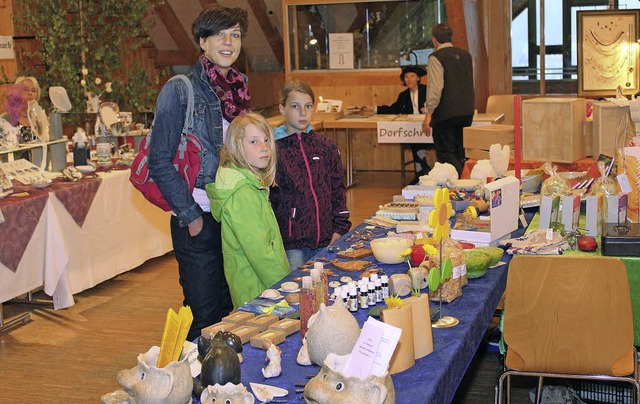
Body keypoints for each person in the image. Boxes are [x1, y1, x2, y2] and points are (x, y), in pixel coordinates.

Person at [147, 6, 250, 340]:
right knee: (203, 313)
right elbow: (159, 160)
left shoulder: (240, 89)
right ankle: (190, 385)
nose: (228, 41)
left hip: (233, 213)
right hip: (198, 216)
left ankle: (224, 388)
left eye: (235, 34)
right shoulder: (179, 90)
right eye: (219, 34)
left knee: (231, 307)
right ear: (202, 42)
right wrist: (191, 217)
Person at [206, 113, 290, 308]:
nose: (264, 147)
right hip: (260, 291)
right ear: (236, 145)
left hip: (260, 286)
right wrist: (285, 287)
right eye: (254, 141)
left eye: (266, 140)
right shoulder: (242, 192)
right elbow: (259, 252)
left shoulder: (247, 183)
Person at [271, 80, 351, 270]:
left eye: (307, 106)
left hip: (326, 238)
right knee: (297, 292)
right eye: (295, 106)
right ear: (282, 109)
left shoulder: (326, 146)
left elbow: (338, 189)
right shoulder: (272, 150)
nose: (303, 113)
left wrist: (340, 227)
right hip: (292, 244)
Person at [421, 23, 475, 178]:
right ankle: (465, 184)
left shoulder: (436, 57)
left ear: (434, 40)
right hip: (466, 111)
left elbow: (435, 89)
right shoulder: (466, 55)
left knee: (446, 154)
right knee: (460, 151)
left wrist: (428, 115)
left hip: (445, 113)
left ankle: (462, 180)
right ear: (451, 38)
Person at [376, 65, 434, 183]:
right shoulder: (403, 95)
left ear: (418, 78)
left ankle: (420, 171)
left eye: (412, 76)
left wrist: (429, 110)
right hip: (413, 131)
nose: (409, 79)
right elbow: (394, 109)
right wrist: (375, 109)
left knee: (417, 139)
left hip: (430, 128)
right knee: (414, 138)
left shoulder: (428, 91)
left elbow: (437, 105)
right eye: (406, 77)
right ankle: (422, 168)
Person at [0, 76, 41, 143]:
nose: (30, 93)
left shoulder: (41, 118)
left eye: (33, 91)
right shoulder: (5, 119)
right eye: (25, 89)